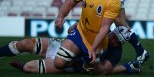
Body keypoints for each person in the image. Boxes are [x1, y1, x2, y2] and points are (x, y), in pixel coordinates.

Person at [53, 0, 121, 71]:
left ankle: (78, 60)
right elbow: (70, 3)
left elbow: (105, 27)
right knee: (59, 63)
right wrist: (60, 17)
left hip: (97, 41)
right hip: (80, 32)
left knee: (91, 70)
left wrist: (93, 48)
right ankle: (75, 57)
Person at [0, 26, 141, 74]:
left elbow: (103, 71)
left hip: (71, 62)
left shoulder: (116, 51)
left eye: (118, 41)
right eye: (114, 37)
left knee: (29, 68)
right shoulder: (100, 28)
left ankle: (21, 66)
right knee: (25, 43)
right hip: (63, 46)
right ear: (112, 32)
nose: (114, 41)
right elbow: (74, 28)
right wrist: (76, 25)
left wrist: (96, 58)